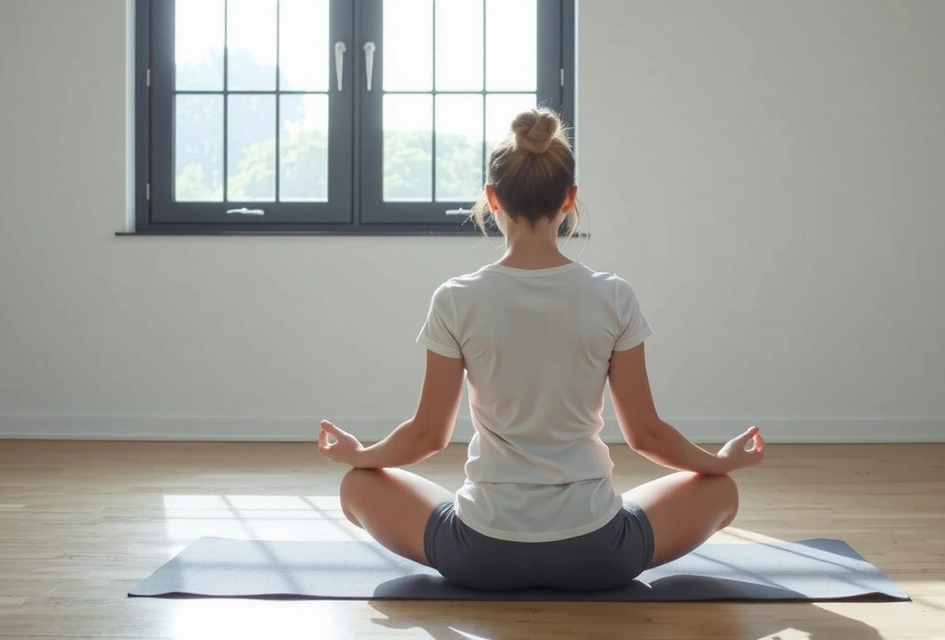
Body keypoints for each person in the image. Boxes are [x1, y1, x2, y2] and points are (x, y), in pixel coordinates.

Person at [317, 108, 766, 591]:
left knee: (357, 486)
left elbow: (428, 435)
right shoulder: (612, 295)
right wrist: (719, 463)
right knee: (720, 491)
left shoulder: (456, 297)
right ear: (570, 200)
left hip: (479, 551)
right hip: (599, 550)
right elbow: (647, 436)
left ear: (491, 199)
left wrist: (359, 456)